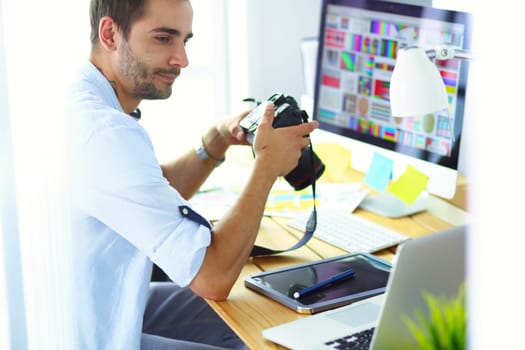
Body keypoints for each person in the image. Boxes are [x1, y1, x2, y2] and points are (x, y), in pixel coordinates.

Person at [64, 0, 319, 349]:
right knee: (262, 331)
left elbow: (150, 195)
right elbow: (212, 277)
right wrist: (266, 168)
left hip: (98, 303)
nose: (182, 59)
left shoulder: (83, 94)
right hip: (91, 335)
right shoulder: (107, 133)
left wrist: (214, 142)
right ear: (110, 33)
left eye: (185, 40)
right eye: (164, 38)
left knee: (265, 309)